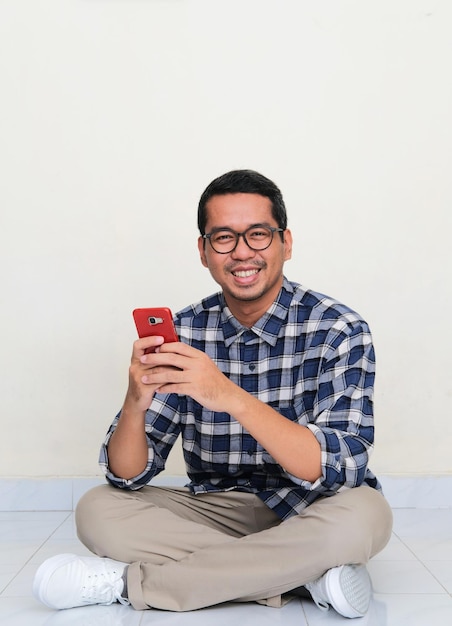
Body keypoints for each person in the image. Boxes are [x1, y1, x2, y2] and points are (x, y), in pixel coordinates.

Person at [33, 169, 393, 618]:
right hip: (216, 508)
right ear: (204, 252)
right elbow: (127, 476)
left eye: (258, 235)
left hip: (313, 507)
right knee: (97, 510)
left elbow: (339, 464)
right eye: (223, 238)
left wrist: (227, 395)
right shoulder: (184, 332)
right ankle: (305, 575)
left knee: (364, 517)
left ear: (286, 243)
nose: (243, 252)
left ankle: (131, 585)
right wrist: (134, 402)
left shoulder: (340, 330)